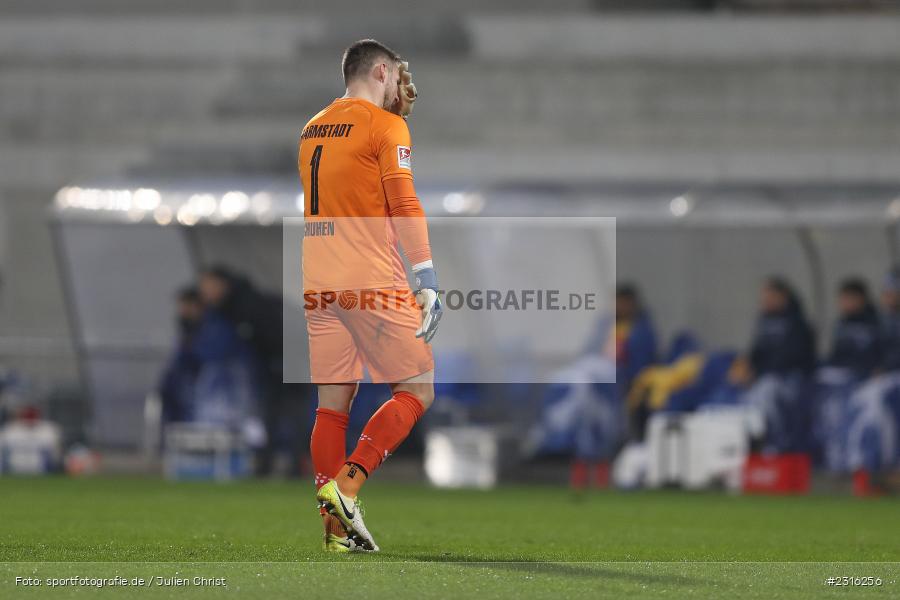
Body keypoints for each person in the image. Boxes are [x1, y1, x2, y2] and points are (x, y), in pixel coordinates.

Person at [298, 39, 441, 552]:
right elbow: (403, 199)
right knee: (417, 389)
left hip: (318, 280)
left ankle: (335, 531)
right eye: (397, 75)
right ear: (381, 70)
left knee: (331, 407)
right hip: (369, 278)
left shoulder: (312, 128)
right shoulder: (385, 126)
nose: (401, 86)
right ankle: (349, 486)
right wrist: (425, 276)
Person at [826, 278, 881, 380]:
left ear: (859, 299)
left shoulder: (876, 322)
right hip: (841, 372)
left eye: (847, 298)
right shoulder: (841, 323)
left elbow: (879, 353)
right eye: (841, 299)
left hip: (866, 374)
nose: (842, 303)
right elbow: (836, 354)